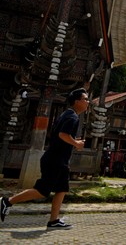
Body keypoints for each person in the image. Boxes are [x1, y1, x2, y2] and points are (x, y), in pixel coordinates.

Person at [0, 87, 90, 229]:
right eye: (85, 99)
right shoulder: (72, 117)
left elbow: (61, 135)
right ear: (77, 101)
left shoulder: (68, 114)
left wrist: (73, 141)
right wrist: (76, 143)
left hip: (60, 160)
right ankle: (7, 201)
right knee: (42, 191)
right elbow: (62, 135)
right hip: (55, 160)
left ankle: (53, 221)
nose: (87, 102)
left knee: (62, 188)